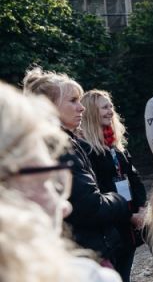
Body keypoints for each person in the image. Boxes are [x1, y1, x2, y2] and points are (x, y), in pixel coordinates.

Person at [0, 81, 122, 282]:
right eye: (44, 181)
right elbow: (90, 205)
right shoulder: (89, 275)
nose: (64, 207)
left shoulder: (76, 145)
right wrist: (120, 202)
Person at [22, 68, 140, 270]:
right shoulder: (59, 146)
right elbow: (90, 206)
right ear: (49, 106)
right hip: (84, 253)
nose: (81, 108)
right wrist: (121, 203)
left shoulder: (64, 142)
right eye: (73, 100)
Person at [80, 90, 148, 282]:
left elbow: (133, 177)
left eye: (111, 106)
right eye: (104, 107)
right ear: (91, 112)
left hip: (130, 224)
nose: (110, 111)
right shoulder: (87, 150)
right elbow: (96, 191)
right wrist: (129, 216)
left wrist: (141, 208)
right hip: (111, 225)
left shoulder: (115, 146)